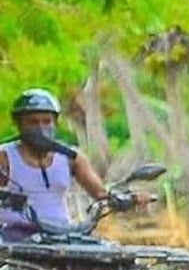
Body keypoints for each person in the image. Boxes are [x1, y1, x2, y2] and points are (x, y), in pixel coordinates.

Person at [0, 89, 149, 242]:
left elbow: (100, 194)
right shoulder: (5, 156)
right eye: (33, 122)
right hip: (14, 235)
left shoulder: (70, 157)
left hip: (61, 234)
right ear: (19, 125)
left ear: (55, 123)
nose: (41, 127)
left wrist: (129, 198)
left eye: (46, 121)